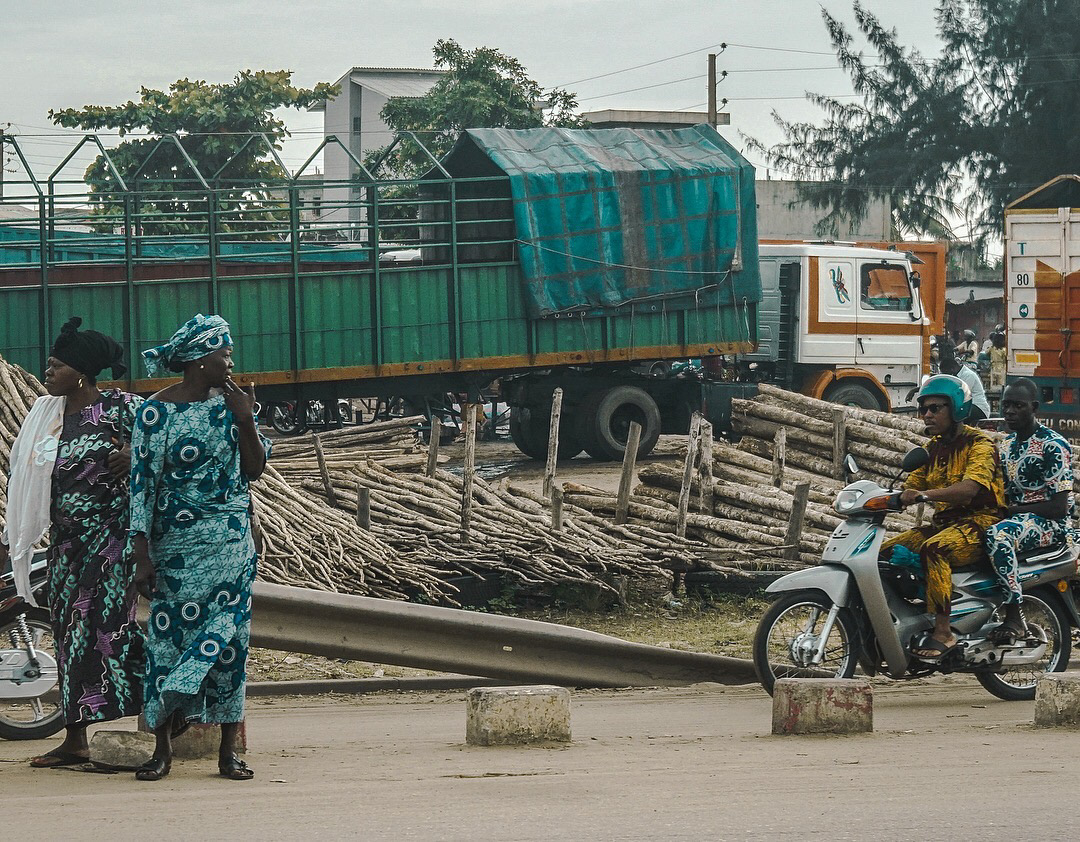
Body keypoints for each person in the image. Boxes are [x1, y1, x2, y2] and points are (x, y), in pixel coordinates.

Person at [129, 314, 269, 782]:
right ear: (197, 359)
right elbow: (141, 488)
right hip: (175, 547)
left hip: (230, 543)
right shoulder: (155, 413)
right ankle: (162, 748)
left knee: (231, 645)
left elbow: (254, 470)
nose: (230, 361)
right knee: (167, 645)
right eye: (223, 353)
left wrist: (245, 421)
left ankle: (229, 751)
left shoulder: (233, 406)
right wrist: (142, 554)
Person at [0, 317, 144, 767]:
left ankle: (162, 714)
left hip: (111, 544)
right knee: (68, 639)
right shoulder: (49, 415)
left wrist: (134, 454)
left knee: (111, 635)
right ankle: (75, 740)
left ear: (80, 373)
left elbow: (170, 446)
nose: (47, 373)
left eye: (55, 365)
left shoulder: (122, 408)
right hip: (65, 547)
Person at [881, 374, 1005, 661]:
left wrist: (927, 495)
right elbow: (914, 483)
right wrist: (889, 497)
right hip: (946, 524)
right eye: (923, 408)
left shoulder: (980, 445)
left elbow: (968, 491)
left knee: (935, 550)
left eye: (935, 408)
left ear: (957, 408)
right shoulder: (933, 449)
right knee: (883, 553)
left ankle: (943, 631)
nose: (927, 414)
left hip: (981, 524)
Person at [982, 379, 1075, 641]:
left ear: (1034, 408)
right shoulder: (1007, 445)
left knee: (996, 537)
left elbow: (1059, 507)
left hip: (1052, 525)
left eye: (1018, 406)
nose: (1010, 411)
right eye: (1006, 405)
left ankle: (1014, 616)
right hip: (1018, 519)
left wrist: (1012, 512)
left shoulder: (1053, 445)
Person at [938, 347, 990, 422]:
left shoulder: (968, 375)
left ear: (952, 369)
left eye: (946, 373)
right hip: (967, 407)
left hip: (978, 408)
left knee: (952, 414)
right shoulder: (957, 376)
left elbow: (961, 396)